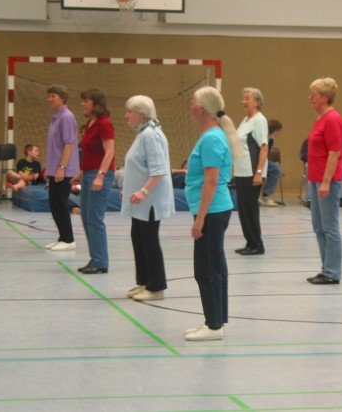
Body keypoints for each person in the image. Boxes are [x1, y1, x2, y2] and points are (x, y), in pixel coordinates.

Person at [184, 86, 241, 341]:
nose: (190, 107)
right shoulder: (212, 135)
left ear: (202, 109)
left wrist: (200, 219)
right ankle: (215, 320)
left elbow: (211, 180)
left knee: (206, 269)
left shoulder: (211, 139)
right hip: (214, 210)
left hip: (212, 212)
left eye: (193, 103)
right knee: (215, 265)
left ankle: (214, 325)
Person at [122, 95, 174, 301]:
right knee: (139, 238)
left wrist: (143, 191)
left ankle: (156, 287)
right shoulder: (142, 134)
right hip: (140, 202)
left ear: (141, 114)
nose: (126, 116)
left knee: (149, 241)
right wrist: (130, 188)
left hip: (150, 201)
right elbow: (139, 166)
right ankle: (144, 281)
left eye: (129, 112)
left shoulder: (150, 135)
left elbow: (158, 170)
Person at [71, 88, 115, 275]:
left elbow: (109, 152)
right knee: (86, 217)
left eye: (86, 101)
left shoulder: (104, 123)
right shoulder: (90, 123)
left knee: (95, 219)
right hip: (88, 174)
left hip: (100, 174)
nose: (82, 104)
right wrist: (81, 172)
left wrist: (100, 175)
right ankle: (95, 258)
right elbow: (89, 154)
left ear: (96, 103)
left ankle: (100, 262)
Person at [305, 77, 342, 285]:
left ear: (325, 97)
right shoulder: (319, 119)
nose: (310, 98)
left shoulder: (332, 119)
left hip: (327, 181)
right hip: (314, 179)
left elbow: (334, 152)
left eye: (314, 94)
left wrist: (326, 182)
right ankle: (326, 268)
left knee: (330, 227)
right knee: (319, 227)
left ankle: (332, 272)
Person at [44, 85, 80, 252]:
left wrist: (62, 167)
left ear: (63, 98)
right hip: (54, 168)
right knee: (54, 204)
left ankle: (68, 239)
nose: (50, 99)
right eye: (49, 96)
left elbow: (68, 144)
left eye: (54, 96)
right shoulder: (56, 117)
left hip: (64, 170)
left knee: (60, 204)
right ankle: (62, 237)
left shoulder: (66, 117)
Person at [233, 87, 268, 256]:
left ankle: (257, 245)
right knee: (243, 209)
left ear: (257, 101)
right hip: (241, 171)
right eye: (243, 98)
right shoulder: (245, 120)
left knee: (251, 209)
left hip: (252, 172)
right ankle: (249, 242)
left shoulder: (259, 120)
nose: (244, 101)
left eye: (248, 98)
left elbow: (264, 147)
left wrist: (259, 172)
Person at [260, 118, 283, 207]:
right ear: (276, 131)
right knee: (269, 170)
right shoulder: (262, 138)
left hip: (264, 160)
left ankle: (266, 195)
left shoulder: (271, 140)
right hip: (256, 160)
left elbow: (266, 153)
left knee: (276, 169)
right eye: (279, 131)